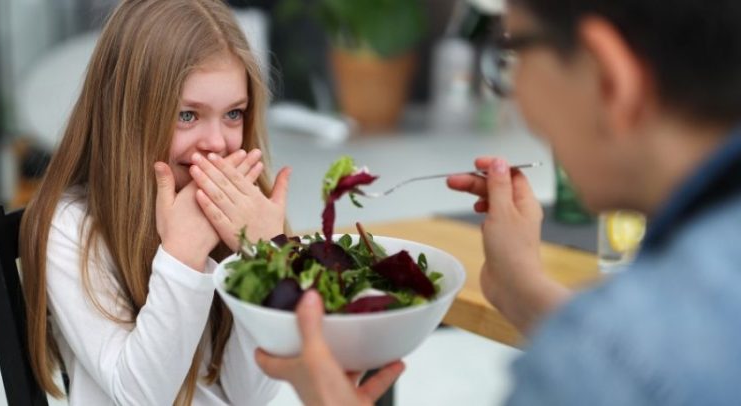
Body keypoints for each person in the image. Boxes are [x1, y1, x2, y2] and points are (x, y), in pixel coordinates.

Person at [256, 0, 741, 404]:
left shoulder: (596, 367)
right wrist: (521, 288)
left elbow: (618, 363)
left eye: (511, 53)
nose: (517, 98)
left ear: (610, 77)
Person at [20, 0, 291, 404]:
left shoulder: (236, 214)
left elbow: (251, 393)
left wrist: (268, 262)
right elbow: (141, 397)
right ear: (129, 116)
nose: (216, 143)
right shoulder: (70, 227)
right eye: (187, 116)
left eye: (233, 114)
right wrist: (182, 256)